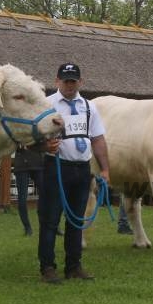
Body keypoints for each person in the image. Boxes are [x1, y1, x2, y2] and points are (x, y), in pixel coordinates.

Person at [37, 62, 111, 283]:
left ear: (81, 82)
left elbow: (97, 139)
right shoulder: (46, 104)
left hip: (82, 169)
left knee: (76, 219)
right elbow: (32, 137)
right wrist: (43, 147)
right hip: (56, 169)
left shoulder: (89, 107)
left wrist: (105, 168)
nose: (70, 85)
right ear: (57, 81)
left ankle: (74, 266)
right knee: (50, 220)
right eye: (65, 80)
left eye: (73, 81)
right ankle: (48, 267)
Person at [12, 145, 43, 236]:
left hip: (38, 162)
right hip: (22, 163)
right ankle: (27, 227)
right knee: (22, 198)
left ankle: (49, 224)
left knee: (46, 195)